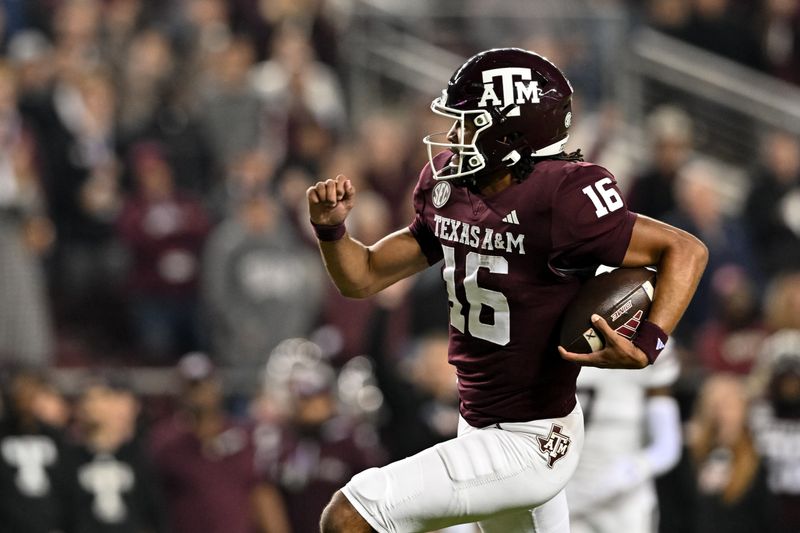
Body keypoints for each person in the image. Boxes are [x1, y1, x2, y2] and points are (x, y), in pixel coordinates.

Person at [307, 48, 708, 533]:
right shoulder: (450, 187)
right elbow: (363, 276)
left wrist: (649, 344)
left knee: (349, 517)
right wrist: (332, 232)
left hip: (533, 438)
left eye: (470, 122)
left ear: (512, 132)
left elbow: (685, 250)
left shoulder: (563, 196)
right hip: (478, 421)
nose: (454, 136)